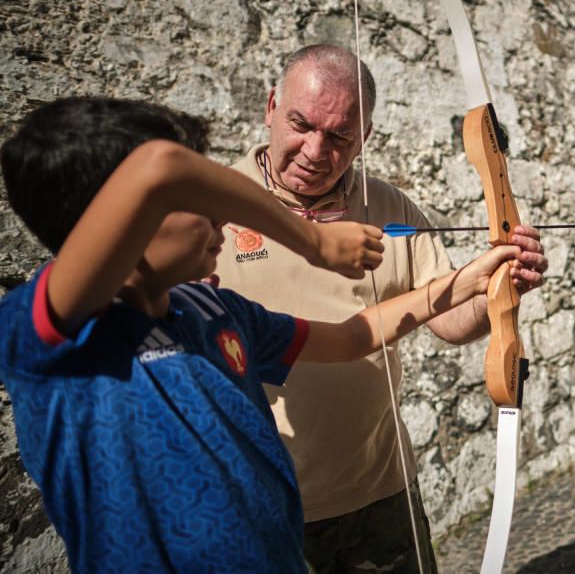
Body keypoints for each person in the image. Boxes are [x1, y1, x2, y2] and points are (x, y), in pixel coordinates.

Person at [0, 97, 522, 573]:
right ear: (123, 218)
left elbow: (352, 337)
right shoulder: (50, 334)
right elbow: (159, 165)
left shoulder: (213, 308)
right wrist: (314, 242)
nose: (220, 213)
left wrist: (467, 282)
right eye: (194, 196)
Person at [214, 45, 548, 572]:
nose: (314, 150)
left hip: (381, 489)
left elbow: (447, 319)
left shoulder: (391, 208)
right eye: (301, 123)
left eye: (340, 137)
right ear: (271, 106)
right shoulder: (212, 210)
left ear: (364, 138)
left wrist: (497, 290)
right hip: (263, 503)